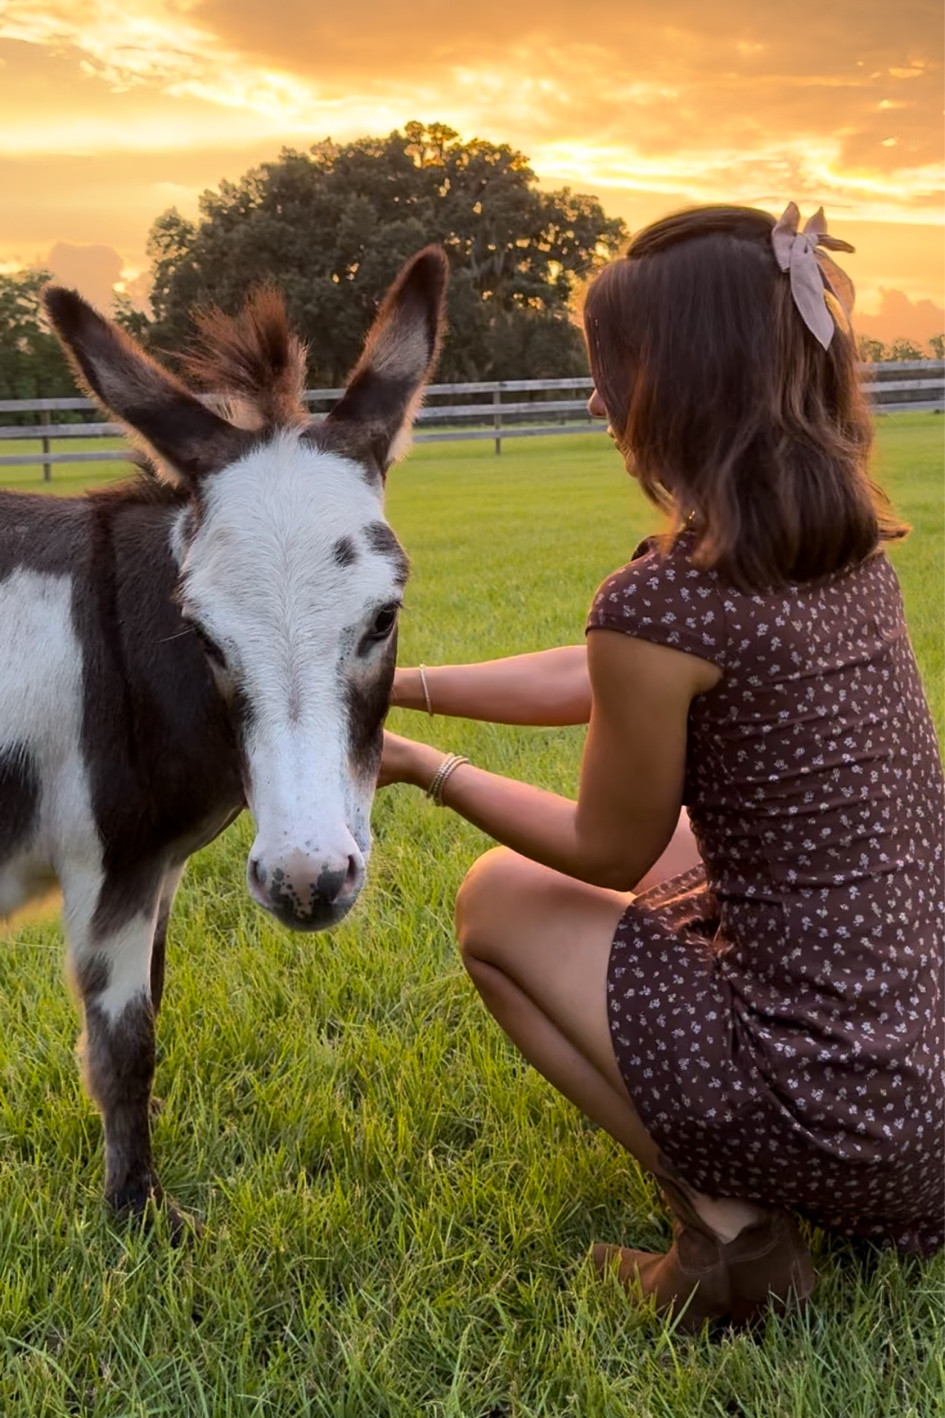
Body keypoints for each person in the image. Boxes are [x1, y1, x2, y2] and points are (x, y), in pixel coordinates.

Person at [377, 204, 945, 1330]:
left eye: (611, 372)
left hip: (836, 1108)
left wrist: (418, 765)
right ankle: (794, 1189)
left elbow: (606, 844)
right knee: (689, 854)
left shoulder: (665, 601)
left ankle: (731, 1238)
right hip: (924, 1087)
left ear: (674, 386)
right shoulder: (839, 546)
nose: (597, 400)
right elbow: (608, 674)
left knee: (498, 901)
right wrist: (405, 680)